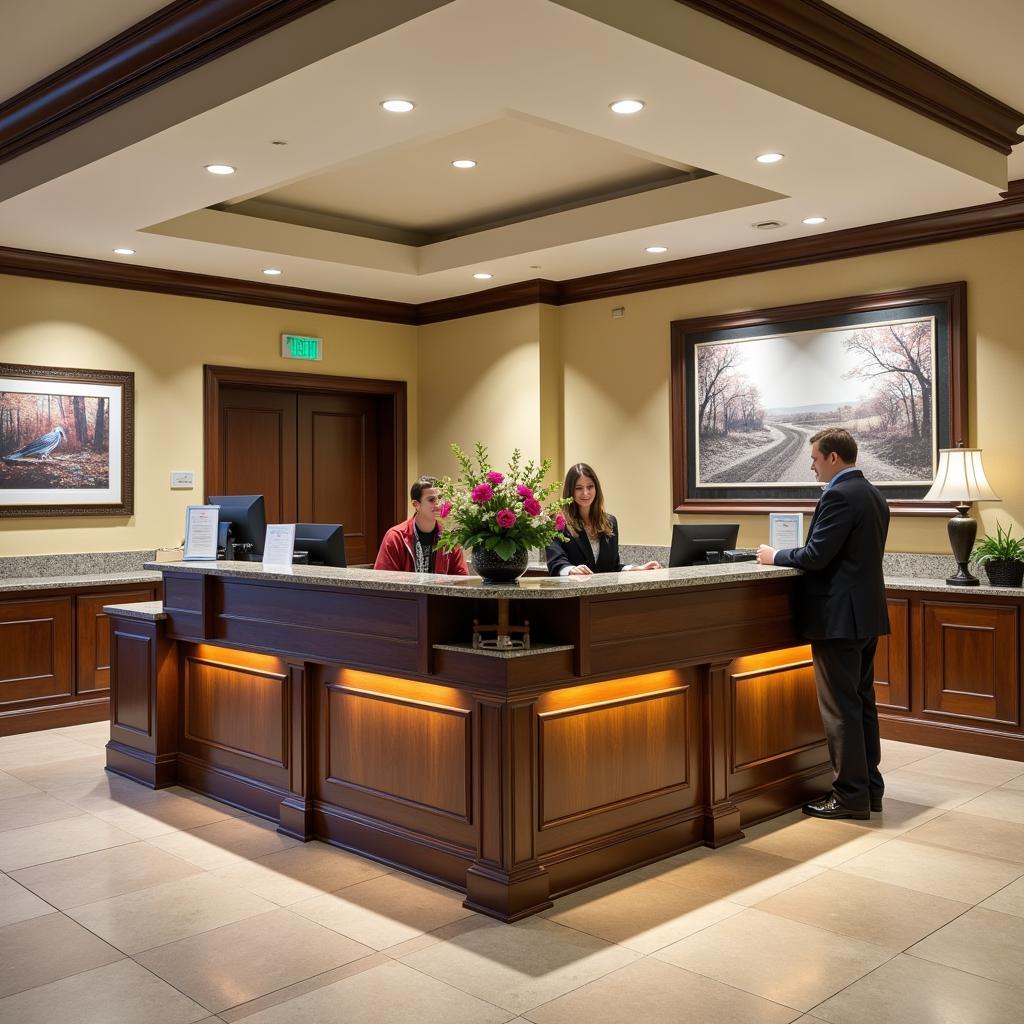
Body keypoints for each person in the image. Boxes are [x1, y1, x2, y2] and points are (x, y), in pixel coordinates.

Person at [756, 427, 890, 820]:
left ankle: (849, 796)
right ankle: (870, 789)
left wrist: (775, 554)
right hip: (865, 616)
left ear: (834, 457)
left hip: (837, 619)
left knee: (840, 710)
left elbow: (816, 556)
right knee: (862, 704)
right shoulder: (873, 494)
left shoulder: (838, 494)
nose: (811, 464)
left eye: (815, 458)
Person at [547, 463, 661, 576]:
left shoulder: (610, 522)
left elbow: (613, 567)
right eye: (579, 488)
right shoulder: (557, 521)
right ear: (570, 491)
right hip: (573, 591)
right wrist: (571, 570)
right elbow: (555, 563)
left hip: (603, 593)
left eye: (590, 487)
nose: (585, 493)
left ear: (596, 488)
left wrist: (636, 568)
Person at [374, 475, 468, 575]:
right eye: (432, 500)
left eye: (440, 498)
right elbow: (383, 579)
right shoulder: (396, 537)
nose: (439, 504)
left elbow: (461, 579)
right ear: (416, 504)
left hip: (439, 590)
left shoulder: (449, 538)